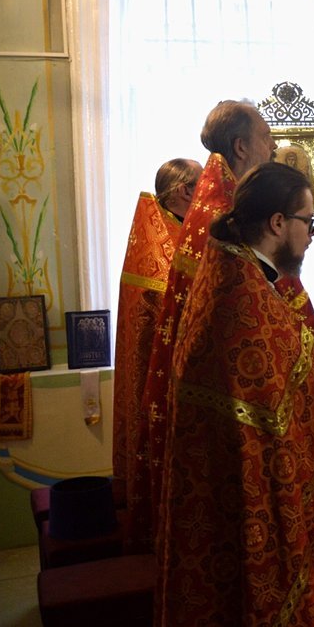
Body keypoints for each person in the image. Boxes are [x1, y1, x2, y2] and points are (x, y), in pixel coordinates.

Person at [155, 162, 314, 627]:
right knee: (253, 602)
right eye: (309, 221)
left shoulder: (230, 269)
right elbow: (281, 395)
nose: (313, 234)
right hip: (250, 495)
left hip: (221, 484)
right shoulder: (242, 296)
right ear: (277, 222)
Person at [142, 101, 314, 547]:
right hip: (233, 374)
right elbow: (256, 293)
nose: (273, 146)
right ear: (242, 146)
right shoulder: (225, 208)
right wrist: (306, 326)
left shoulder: (219, 198)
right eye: (266, 137)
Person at [112, 158, 202, 551]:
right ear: (184, 191)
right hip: (165, 384)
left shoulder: (176, 232)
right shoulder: (159, 248)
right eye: (203, 186)